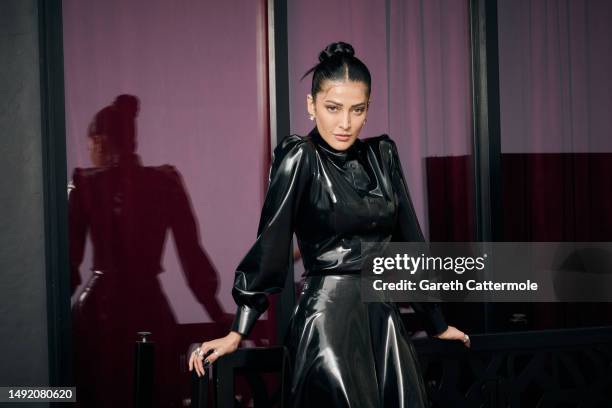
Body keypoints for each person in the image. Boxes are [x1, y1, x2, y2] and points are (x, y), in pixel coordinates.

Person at [189, 42, 470, 407]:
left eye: (357, 110)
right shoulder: (300, 157)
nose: (345, 123)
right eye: (333, 108)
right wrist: (239, 329)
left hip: (382, 321)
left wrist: (435, 321)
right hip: (328, 321)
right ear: (311, 106)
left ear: (368, 110)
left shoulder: (382, 156)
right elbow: (271, 244)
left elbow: (410, 244)